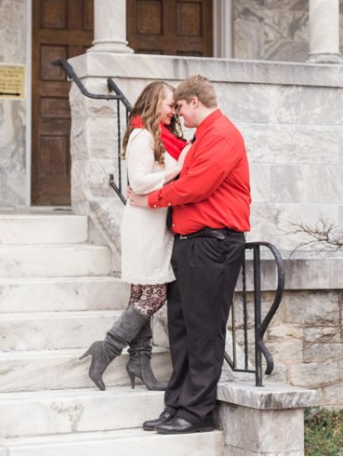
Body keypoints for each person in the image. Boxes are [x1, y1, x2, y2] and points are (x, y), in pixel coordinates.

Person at [126, 74, 251, 435]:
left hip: (214, 243)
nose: (176, 114)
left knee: (204, 330)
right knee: (181, 329)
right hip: (190, 244)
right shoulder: (201, 137)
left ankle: (196, 414)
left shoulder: (223, 134)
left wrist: (152, 199)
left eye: (179, 106)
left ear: (194, 102)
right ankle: (177, 404)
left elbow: (196, 186)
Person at [81, 81, 189, 391]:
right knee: (154, 295)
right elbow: (139, 184)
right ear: (155, 104)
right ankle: (108, 348)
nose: (173, 111)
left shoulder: (155, 136)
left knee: (142, 295)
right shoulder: (142, 136)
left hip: (152, 223)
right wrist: (175, 170)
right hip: (144, 226)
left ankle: (140, 362)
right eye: (170, 105)